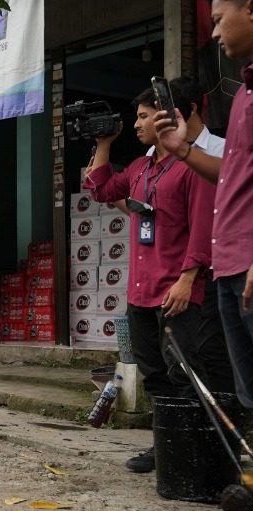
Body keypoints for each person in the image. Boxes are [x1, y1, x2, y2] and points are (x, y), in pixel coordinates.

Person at [83, 87, 216, 474]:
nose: (137, 124)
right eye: (138, 117)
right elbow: (102, 189)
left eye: (144, 116)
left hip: (177, 289)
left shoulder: (193, 165)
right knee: (155, 375)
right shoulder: (140, 169)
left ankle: (199, 453)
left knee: (185, 373)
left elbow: (203, 229)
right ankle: (167, 448)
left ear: (166, 118)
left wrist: (188, 279)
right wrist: (104, 143)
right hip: (141, 290)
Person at [161, 0, 253, 511]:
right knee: (249, 393)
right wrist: (184, 150)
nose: (213, 31)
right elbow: (232, 177)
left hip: (246, 263)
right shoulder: (242, 94)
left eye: (221, 17)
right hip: (230, 263)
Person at [143, 78, 233, 396]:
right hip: (183, 269)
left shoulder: (223, 153)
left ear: (191, 110)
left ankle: (221, 434)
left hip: (224, 266)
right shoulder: (157, 159)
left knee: (217, 350)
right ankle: (185, 441)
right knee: (182, 356)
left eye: (171, 111)